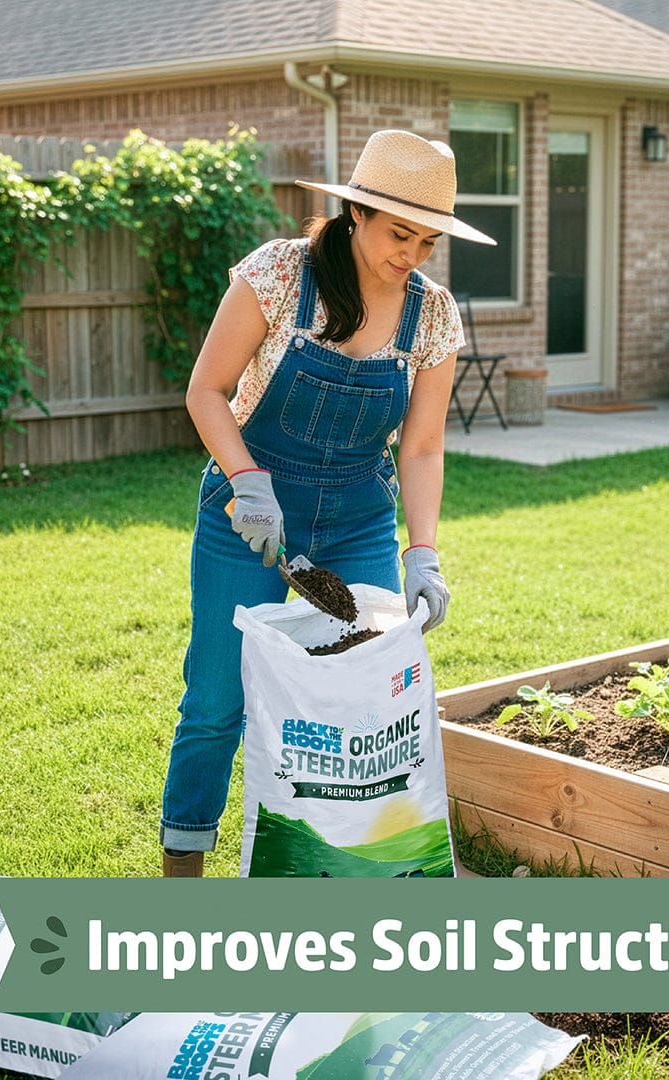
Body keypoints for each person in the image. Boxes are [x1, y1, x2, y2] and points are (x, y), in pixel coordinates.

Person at [160, 129, 496, 877]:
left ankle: (348, 869)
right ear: (356, 214)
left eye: (427, 240)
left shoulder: (433, 317)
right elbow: (206, 390)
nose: (410, 254)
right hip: (245, 513)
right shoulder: (282, 274)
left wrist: (425, 552)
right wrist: (247, 480)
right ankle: (181, 875)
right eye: (398, 233)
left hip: (357, 517)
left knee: (363, 701)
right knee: (216, 700)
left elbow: (422, 447)